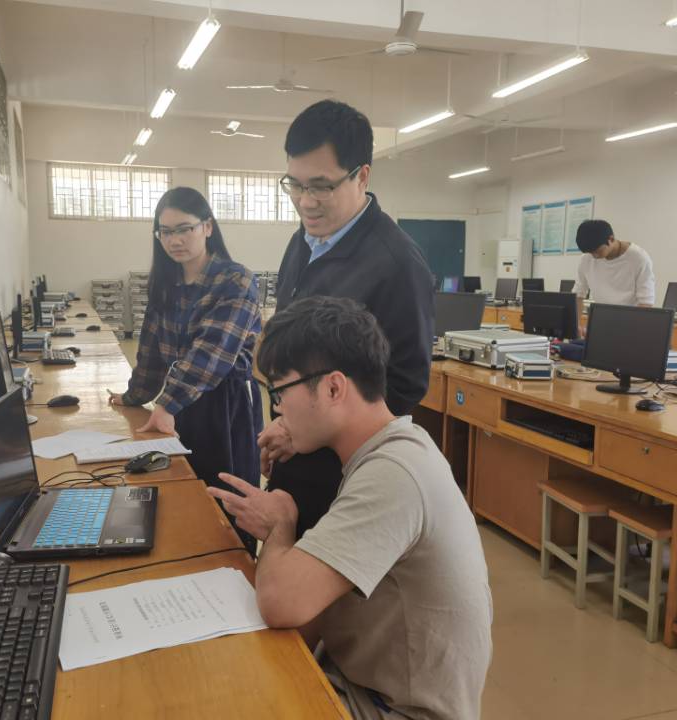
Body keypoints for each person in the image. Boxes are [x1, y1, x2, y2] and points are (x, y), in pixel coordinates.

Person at [209, 296, 492, 720]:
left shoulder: (393, 473)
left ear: (333, 388)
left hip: (394, 708)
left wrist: (279, 526)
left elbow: (282, 602)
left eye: (279, 392)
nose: (277, 410)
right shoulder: (386, 450)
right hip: (361, 679)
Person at [259, 99, 435, 539]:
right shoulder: (302, 242)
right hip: (293, 453)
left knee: (316, 578)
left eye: (321, 186)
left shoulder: (397, 264)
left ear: (362, 176)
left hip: (344, 478)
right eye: (295, 185)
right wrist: (286, 423)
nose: (305, 202)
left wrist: (305, 431)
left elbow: (406, 382)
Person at [111, 186, 262, 553]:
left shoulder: (236, 280)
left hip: (225, 405)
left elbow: (211, 353)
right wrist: (134, 396)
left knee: (225, 497)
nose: (174, 240)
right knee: (182, 491)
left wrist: (166, 403)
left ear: (207, 227)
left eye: (184, 229)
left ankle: (236, 564)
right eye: (165, 231)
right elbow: (150, 349)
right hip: (181, 403)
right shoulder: (166, 283)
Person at [572, 219, 655, 307]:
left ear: (611, 239)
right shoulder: (586, 258)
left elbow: (646, 302)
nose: (594, 256)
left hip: (630, 314)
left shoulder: (638, 258)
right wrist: (577, 316)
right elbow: (578, 294)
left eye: (597, 251)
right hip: (600, 313)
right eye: (590, 253)